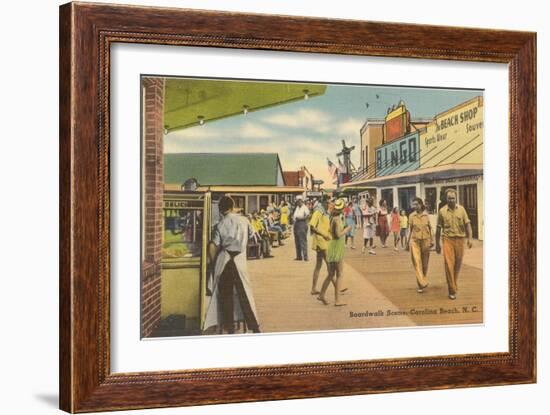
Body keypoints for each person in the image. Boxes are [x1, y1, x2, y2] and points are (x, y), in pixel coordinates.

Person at [204, 196, 260, 334]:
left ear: (221, 209)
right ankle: (255, 326)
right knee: (244, 294)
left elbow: (214, 245)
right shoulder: (244, 220)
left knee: (225, 296)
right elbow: (253, 236)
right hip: (240, 260)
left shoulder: (220, 224)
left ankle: (229, 327)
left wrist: (211, 262)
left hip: (225, 261)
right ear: (232, 206)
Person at [435, 189, 473, 300]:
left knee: (457, 265)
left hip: (460, 240)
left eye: (453, 198)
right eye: (449, 198)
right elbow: (438, 229)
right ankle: (452, 290)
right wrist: (437, 244)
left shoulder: (461, 210)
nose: (451, 200)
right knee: (448, 264)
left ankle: (453, 283)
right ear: (446, 199)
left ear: (456, 198)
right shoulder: (442, 211)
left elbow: (468, 225)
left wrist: (470, 238)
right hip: (447, 239)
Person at [317, 199, 352, 307]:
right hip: (337, 247)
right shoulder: (337, 219)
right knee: (339, 274)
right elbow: (337, 234)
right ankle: (337, 300)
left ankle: (322, 294)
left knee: (331, 274)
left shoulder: (334, 218)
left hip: (333, 246)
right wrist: (347, 230)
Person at [406, 198, 433, 293]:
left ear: (421, 205)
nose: (415, 206)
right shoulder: (411, 216)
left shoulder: (426, 215)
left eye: (416, 204)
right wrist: (407, 242)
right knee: (417, 263)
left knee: (425, 264)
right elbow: (409, 229)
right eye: (413, 204)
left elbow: (430, 228)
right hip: (415, 242)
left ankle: (423, 280)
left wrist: (432, 240)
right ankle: (421, 284)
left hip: (426, 241)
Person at [309, 195, 331, 295]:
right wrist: (324, 234)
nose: (329, 204)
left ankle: (313, 288)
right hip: (321, 241)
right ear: (324, 202)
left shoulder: (325, 212)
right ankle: (337, 287)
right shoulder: (318, 211)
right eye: (328, 202)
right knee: (329, 264)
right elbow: (313, 226)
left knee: (319, 265)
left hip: (324, 240)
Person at [292, 196, 310, 261]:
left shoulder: (305, 208)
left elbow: (307, 216)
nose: (298, 202)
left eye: (299, 201)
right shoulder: (297, 208)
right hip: (296, 224)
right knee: (297, 241)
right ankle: (299, 256)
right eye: (297, 201)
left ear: (301, 201)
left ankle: (305, 256)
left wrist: (301, 218)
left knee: (303, 241)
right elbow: (294, 216)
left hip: (302, 223)